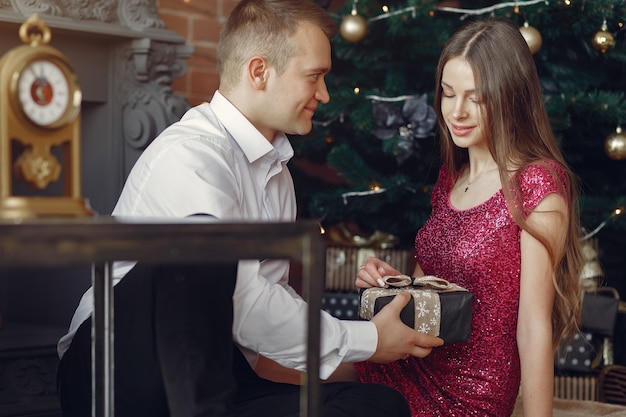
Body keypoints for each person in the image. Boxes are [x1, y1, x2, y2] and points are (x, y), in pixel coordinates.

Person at [56, 0, 443, 416]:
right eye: (314, 76)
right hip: (114, 364)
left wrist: (363, 359)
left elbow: (267, 305)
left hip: (216, 367)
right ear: (259, 71)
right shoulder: (191, 153)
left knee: (376, 406)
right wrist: (367, 340)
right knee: (204, 243)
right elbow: (245, 302)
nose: (325, 94)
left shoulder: (278, 174)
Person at [355, 18, 583, 417]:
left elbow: (533, 326)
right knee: (294, 363)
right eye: (447, 94)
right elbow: (431, 291)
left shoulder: (537, 182)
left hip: (470, 394)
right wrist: (389, 282)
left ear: (509, 96)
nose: (455, 112)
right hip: (412, 358)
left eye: (475, 98)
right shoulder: (451, 176)